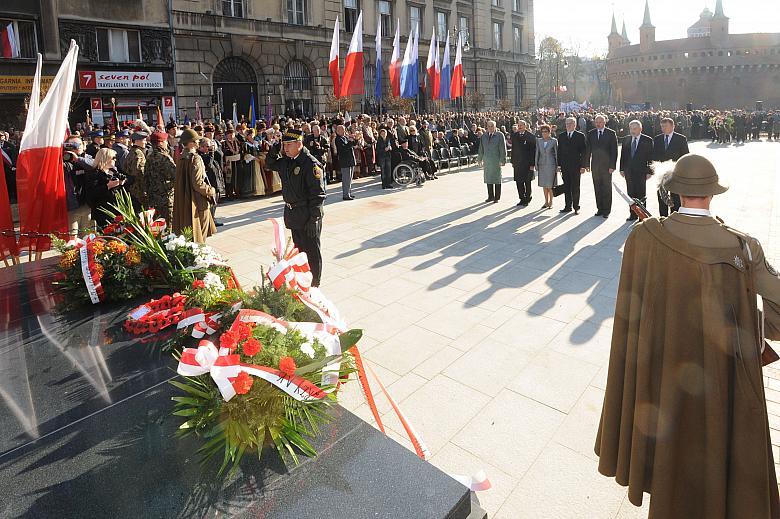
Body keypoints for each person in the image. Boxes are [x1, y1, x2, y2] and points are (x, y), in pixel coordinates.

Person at [596, 153, 780, 519]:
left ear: (674, 193)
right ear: (712, 194)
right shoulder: (744, 245)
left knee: (671, 449)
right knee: (721, 452)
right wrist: (758, 324)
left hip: (664, 369)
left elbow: (639, 303)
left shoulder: (645, 236)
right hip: (723, 376)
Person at [265, 128, 327, 287]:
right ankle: (302, 280)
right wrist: (275, 148)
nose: (285, 148)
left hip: (308, 214)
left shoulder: (310, 163)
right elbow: (270, 163)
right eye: (283, 145)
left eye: (288, 144)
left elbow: (318, 195)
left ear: (299, 143)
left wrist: (314, 219)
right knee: (299, 250)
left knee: (311, 251)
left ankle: (314, 284)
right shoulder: (287, 160)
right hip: (294, 214)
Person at [172, 128, 216, 244]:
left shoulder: (181, 158)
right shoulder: (195, 158)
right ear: (191, 142)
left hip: (185, 201)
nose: (198, 142)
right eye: (196, 140)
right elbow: (197, 183)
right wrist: (210, 191)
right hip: (198, 201)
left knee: (189, 235)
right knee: (200, 235)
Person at [653, 117, 690, 216]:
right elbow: (654, 155)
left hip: (675, 172)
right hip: (662, 174)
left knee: (676, 197)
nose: (663, 128)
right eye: (662, 126)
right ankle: (663, 217)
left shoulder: (681, 139)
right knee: (662, 196)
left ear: (673, 126)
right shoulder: (657, 139)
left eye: (665, 126)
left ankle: (675, 216)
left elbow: (685, 155)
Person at [619, 120, 654, 221]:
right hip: (628, 171)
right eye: (631, 129)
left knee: (641, 194)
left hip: (641, 171)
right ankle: (633, 214)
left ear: (640, 129)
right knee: (631, 194)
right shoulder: (626, 139)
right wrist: (621, 169)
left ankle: (642, 215)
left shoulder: (647, 140)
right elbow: (623, 156)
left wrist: (649, 171)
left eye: (634, 128)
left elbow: (651, 157)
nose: (632, 131)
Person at [83, 148, 127, 228]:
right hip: (102, 212)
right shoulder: (94, 174)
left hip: (116, 209)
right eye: (113, 158)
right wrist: (108, 186)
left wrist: (121, 183)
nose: (115, 160)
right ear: (106, 158)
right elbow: (91, 194)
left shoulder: (113, 171)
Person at [585, 114, 619, 218]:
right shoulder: (591, 133)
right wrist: (586, 164)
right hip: (595, 165)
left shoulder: (611, 133)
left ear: (605, 122)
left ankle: (606, 210)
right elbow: (588, 150)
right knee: (597, 187)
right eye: (596, 122)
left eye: (600, 122)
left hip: (607, 166)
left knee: (606, 188)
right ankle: (599, 208)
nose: (598, 124)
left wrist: (612, 166)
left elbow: (614, 151)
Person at [556, 117, 588, 215]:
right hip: (565, 166)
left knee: (575, 187)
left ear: (574, 125)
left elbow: (584, 152)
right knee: (567, 187)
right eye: (567, 124)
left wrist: (583, 166)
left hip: (576, 166)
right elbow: (559, 151)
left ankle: (576, 207)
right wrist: (559, 165)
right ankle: (567, 206)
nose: (568, 125)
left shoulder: (580, 136)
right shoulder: (561, 136)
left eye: (570, 123)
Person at [145, 131, 177, 223]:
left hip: (153, 197)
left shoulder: (149, 157)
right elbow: (175, 176)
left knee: (158, 225)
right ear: (161, 143)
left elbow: (146, 178)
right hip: (166, 197)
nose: (167, 143)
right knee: (168, 224)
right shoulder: (164, 158)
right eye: (165, 141)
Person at [198, 137, 226, 227]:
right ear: (200, 147)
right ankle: (209, 221)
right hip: (209, 183)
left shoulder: (210, 154)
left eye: (209, 146)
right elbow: (208, 164)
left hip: (216, 182)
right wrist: (211, 152)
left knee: (215, 203)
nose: (209, 147)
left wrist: (214, 150)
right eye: (207, 146)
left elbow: (220, 156)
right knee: (211, 203)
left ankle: (212, 219)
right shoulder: (200, 156)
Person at [478, 120, 507, 203]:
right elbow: (481, 148)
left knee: (497, 178)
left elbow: (502, 148)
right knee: (488, 178)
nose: (490, 128)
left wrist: (503, 159)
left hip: (496, 160)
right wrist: (479, 159)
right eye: (489, 126)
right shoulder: (484, 136)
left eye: (492, 126)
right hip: (487, 160)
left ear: (495, 126)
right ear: (486, 127)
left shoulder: (499, 135)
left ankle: (497, 197)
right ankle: (490, 196)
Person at [510, 120, 536, 207]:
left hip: (527, 163)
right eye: (519, 125)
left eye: (521, 125)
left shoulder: (530, 136)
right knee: (519, 181)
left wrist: (532, 164)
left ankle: (528, 197)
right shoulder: (515, 135)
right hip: (517, 163)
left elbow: (533, 151)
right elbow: (513, 149)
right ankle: (521, 198)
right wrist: (512, 161)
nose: (520, 127)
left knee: (527, 182)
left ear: (525, 126)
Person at [534, 125, 558, 210]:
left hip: (551, 165)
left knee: (550, 185)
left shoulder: (554, 141)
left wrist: (557, 166)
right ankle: (546, 201)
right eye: (543, 132)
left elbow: (556, 154)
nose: (544, 133)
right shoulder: (539, 141)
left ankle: (551, 201)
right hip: (542, 165)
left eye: (546, 131)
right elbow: (537, 153)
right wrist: (536, 164)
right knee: (544, 185)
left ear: (549, 132)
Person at [125, 131, 148, 208]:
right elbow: (141, 173)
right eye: (144, 140)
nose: (146, 142)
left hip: (133, 188)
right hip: (139, 189)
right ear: (137, 141)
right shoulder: (138, 153)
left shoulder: (131, 152)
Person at [334, 125, 358, 200]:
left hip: (350, 160)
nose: (344, 131)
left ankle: (348, 192)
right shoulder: (338, 139)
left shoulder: (344, 137)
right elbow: (344, 148)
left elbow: (353, 144)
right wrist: (350, 142)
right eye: (343, 130)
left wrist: (356, 139)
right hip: (345, 161)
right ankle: (345, 195)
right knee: (346, 179)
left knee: (350, 178)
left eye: (344, 130)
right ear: (338, 131)